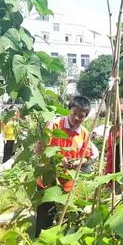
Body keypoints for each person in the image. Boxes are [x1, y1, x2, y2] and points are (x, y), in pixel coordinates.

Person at [35, 96, 98, 236]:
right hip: (48, 181)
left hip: (67, 183)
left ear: (85, 117)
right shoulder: (54, 126)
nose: (76, 118)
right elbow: (40, 151)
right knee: (44, 220)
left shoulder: (84, 133)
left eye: (81, 116)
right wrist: (58, 158)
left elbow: (86, 156)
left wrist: (77, 162)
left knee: (63, 221)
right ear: (69, 110)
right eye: (74, 113)